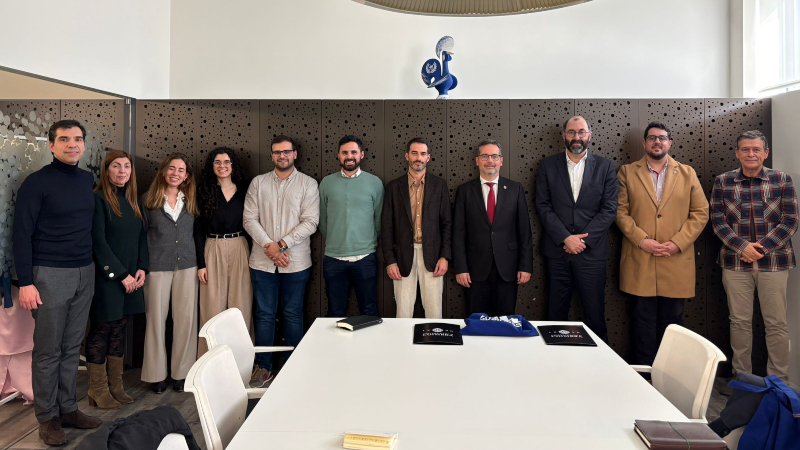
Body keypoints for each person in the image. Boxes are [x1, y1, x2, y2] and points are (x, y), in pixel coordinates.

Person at [12, 120, 102, 445]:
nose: (72, 144)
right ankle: (47, 418)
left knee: (71, 347)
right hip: (48, 274)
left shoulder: (87, 179)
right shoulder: (36, 183)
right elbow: (21, 234)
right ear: (51, 145)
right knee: (48, 351)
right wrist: (26, 282)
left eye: (77, 139)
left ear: (84, 144)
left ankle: (68, 409)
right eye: (64, 139)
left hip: (84, 272)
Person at [616, 121, 709, 366]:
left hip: (675, 258)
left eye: (662, 138)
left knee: (673, 321)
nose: (657, 142)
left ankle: (671, 373)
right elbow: (620, 212)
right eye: (652, 138)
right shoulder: (627, 172)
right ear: (644, 143)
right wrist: (642, 240)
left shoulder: (687, 173)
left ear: (670, 143)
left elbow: (701, 212)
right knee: (641, 319)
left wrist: (678, 243)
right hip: (641, 258)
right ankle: (645, 375)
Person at [710, 130, 797, 382]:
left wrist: (761, 248)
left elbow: (790, 220)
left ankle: (779, 383)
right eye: (745, 149)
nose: (751, 154)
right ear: (737, 153)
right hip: (735, 263)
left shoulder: (782, 180)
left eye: (756, 149)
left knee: (776, 324)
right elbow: (717, 220)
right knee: (738, 322)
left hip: (774, 262)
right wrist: (742, 247)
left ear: (765, 153)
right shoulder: (723, 181)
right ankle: (743, 381)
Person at [243, 135, 319, 387]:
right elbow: (249, 220)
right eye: (277, 152)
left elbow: (311, 221)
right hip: (262, 262)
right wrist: (270, 247)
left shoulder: (308, 184)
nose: (282, 156)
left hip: (295, 262)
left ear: (295, 154)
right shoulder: (258, 183)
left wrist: (282, 245)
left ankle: (293, 368)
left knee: (293, 314)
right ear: (272, 155)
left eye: (286, 151)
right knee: (264, 315)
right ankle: (263, 368)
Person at [534, 116, 617, 341]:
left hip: (591, 254)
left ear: (590, 135)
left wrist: (582, 241)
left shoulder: (605, 166)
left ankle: (599, 363)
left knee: (595, 316)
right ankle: (553, 361)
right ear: (563, 135)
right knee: (554, 316)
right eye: (571, 132)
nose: (576, 137)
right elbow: (543, 205)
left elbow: (609, 209)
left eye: (581, 132)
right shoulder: (547, 165)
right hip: (557, 252)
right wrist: (565, 238)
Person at [86, 150, 148, 409]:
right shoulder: (98, 199)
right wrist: (121, 275)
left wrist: (142, 268)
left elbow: (141, 237)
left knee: (119, 329)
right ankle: (97, 390)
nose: (122, 171)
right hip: (107, 278)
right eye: (116, 166)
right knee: (102, 329)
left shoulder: (132, 201)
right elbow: (98, 243)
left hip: (132, 277)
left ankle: (116, 386)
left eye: (126, 166)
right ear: (106, 170)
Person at [452, 139, 533, 316]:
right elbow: (458, 234)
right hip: (474, 271)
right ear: (477, 160)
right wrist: (461, 268)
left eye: (494, 156)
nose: (490, 160)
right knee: (476, 322)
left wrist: (525, 266)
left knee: (505, 322)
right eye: (485, 156)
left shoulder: (515, 189)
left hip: (508, 269)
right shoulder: (464, 191)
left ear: (501, 161)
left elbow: (525, 232)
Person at [140, 153, 199, 394]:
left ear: (186, 176)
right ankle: (155, 375)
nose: (176, 173)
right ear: (164, 171)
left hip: (187, 265)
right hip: (157, 267)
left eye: (181, 170)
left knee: (186, 320)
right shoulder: (148, 200)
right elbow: (140, 236)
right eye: (172, 168)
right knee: (155, 320)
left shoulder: (192, 200)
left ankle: (182, 374)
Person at [381, 137, 451, 318]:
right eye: (414, 153)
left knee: (434, 313)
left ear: (428, 157)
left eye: (422, 153)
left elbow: (447, 224)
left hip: (433, 257)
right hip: (402, 257)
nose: (418, 157)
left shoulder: (439, 185)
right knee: (403, 313)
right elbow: (386, 227)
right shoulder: (393, 187)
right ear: (407, 156)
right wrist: (390, 261)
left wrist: (445, 256)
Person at [194, 147, 253, 356]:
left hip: (239, 246)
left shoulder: (245, 190)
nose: (222, 166)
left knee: (241, 307)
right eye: (217, 162)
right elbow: (197, 231)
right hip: (212, 247)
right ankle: (209, 362)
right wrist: (201, 264)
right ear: (212, 166)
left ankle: (241, 362)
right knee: (211, 309)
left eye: (227, 162)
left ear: (233, 165)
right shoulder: (203, 191)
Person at [319, 135, 384, 317]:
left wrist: (364, 242)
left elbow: (379, 219)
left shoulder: (375, 183)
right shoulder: (326, 183)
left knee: (369, 311)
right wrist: (336, 240)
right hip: (333, 258)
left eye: (353, 152)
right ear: (338, 155)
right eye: (345, 152)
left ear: (361, 155)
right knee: (334, 312)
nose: (349, 156)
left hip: (365, 258)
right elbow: (322, 219)